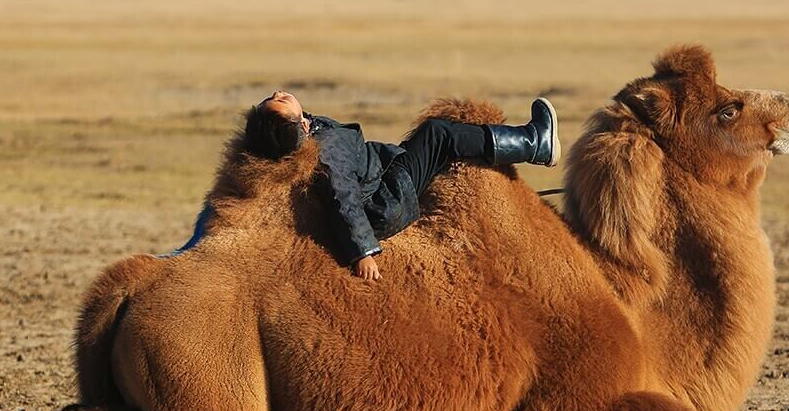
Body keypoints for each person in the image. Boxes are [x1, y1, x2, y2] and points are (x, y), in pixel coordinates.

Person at [172, 91, 560, 280]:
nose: (278, 94)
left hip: (383, 175)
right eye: (278, 105)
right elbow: (343, 199)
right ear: (298, 128)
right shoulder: (325, 153)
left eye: (269, 100)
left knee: (428, 148)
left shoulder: (308, 134)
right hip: (386, 200)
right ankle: (534, 144)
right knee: (438, 134)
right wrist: (363, 253)